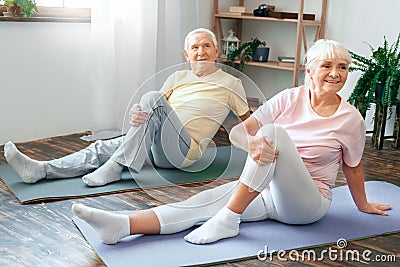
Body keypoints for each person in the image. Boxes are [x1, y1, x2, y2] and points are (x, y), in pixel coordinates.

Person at [71, 39, 392, 245]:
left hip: (308, 205)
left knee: (272, 134)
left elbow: (354, 166)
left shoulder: (350, 119)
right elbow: (239, 132)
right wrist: (250, 145)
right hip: (266, 193)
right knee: (199, 203)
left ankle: (228, 218)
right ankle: (123, 226)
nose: (336, 74)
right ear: (309, 69)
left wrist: (363, 205)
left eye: (343, 67)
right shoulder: (289, 98)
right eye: (327, 65)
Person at [3, 28, 250, 187]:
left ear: (217, 51)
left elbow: (250, 123)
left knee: (152, 97)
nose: (201, 52)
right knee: (102, 147)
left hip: (184, 153)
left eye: (206, 46)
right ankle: (41, 170)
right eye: (195, 47)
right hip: (157, 145)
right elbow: (153, 112)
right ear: (186, 54)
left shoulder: (231, 83)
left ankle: (117, 165)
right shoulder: (177, 78)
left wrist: (265, 146)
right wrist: (137, 115)